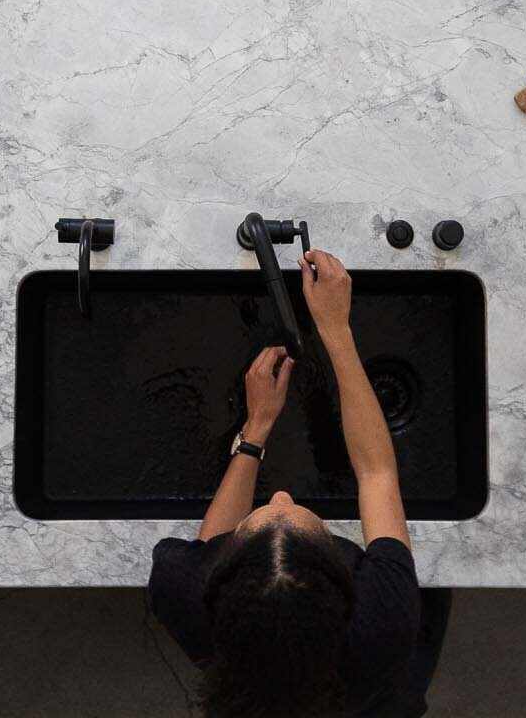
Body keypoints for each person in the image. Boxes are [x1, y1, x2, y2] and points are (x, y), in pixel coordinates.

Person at [147, 248, 451, 717]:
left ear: (219, 577)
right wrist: (336, 329)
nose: (281, 494)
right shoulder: (384, 618)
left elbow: (210, 547)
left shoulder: (182, 589)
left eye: (263, 516)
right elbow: (376, 473)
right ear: (346, 580)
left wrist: (256, 429)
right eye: (300, 520)